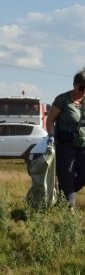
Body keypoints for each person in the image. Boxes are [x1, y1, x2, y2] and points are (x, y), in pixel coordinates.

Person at [46, 69, 85, 209]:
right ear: (75, 84)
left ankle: (63, 195)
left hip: (83, 146)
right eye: (82, 87)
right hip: (65, 146)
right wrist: (51, 136)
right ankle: (68, 210)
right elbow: (50, 120)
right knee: (66, 178)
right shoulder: (63, 99)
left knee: (82, 177)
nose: (83, 91)